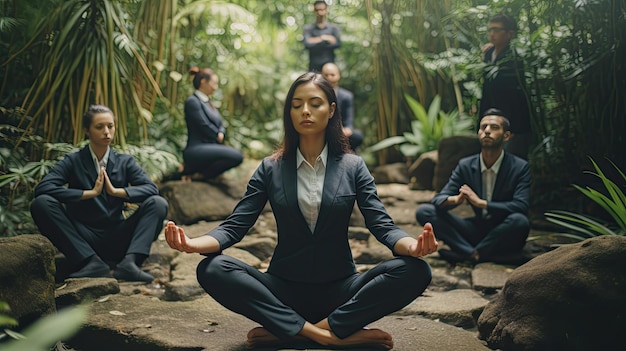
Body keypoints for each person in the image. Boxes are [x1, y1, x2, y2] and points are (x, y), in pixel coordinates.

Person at [165, 72, 438, 350]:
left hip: (340, 289)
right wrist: (192, 244)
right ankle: (328, 336)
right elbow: (235, 226)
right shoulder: (270, 168)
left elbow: (383, 225)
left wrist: (413, 246)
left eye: (314, 103)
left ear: (331, 110)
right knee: (212, 267)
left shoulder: (353, 166)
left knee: (416, 270)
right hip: (282, 289)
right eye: (296, 105)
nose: (305, 111)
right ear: (289, 112)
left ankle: (292, 331)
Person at [30, 104, 169, 282]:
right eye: (99, 127)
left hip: (118, 234)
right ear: (86, 130)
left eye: (110, 126)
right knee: (41, 203)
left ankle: (129, 264)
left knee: (158, 203)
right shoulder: (73, 161)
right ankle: (91, 263)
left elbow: (151, 189)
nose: (107, 132)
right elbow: (43, 188)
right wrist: (88, 193)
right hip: (83, 237)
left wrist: (117, 192)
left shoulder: (124, 161)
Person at [416, 109, 530, 264]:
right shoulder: (466, 165)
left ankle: (467, 252)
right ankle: (474, 254)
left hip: (503, 230)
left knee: (520, 221)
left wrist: (482, 203)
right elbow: (438, 199)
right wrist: (454, 200)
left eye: (494, 127)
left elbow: (521, 206)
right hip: (475, 229)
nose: (487, 131)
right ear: (478, 133)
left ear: (506, 136)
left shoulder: (519, 167)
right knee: (425, 211)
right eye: (483, 127)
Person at [478, 13, 531, 160]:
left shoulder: (514, 56)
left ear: (510, 34)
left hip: (513, 122)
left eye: (496, 30)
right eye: (490, 30)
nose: (492, 34)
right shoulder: (489, 53)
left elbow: (514, 95)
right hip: (491, 118)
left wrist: (510, 126)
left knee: (513, 163)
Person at [182, 67, 243, 181]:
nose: (215, 87)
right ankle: (199, 173)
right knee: (236, 156)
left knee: (236, 156)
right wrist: (217, 135)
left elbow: (220, 123)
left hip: (212, 146)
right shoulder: (193, 101)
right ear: (203, 82)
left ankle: (203, 174)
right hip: (197, 148)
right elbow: (203, 124)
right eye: (213, 83)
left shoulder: (209, 102)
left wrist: (221, 132)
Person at [321, 62, 364, 152]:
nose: (329, 78)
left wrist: (347, 129)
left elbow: (349, 118)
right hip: (322, 131)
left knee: (357, 136)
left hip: (341, 132)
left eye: (332, 75)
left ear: (338, 76)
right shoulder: (317, 95)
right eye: (326, 75)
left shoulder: (347, 96)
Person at [303, 1, 341, 72]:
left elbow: (337, 44)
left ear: (326, 10)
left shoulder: (333, 28)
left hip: (329, 67)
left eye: (322, 9)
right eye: (317, 10)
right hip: (314, 68)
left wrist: (314, 41)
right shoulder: (308, 28)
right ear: (314, 11)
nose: (320, 13)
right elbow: (307, 44)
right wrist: (324, 38)